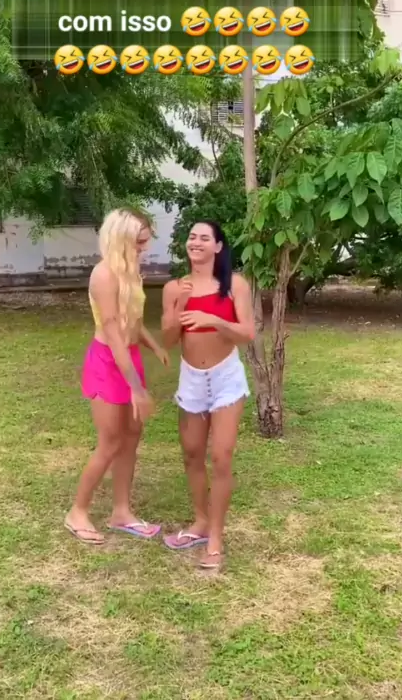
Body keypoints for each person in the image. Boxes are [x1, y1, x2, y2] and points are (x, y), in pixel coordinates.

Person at [65, 208, 168, 545]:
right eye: (139, 242)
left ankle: (121, 512)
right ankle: (77, 512)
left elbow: (133, 321)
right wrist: (136, 387)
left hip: (130, 356)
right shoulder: (104, 276)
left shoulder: (130, 270)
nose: (144, 248)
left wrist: (154, 345)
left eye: (146, 241)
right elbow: (112, 333)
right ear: (120, 239)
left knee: (132, 435)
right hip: (108, 361)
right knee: (110, 441)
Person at [161, 220, 255, 569]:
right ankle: (201, 521)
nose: (196, 242)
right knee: (191, 454)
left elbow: (247, 333)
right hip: (192, 379)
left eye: (204, 238)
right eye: (192, 237)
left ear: (218, 246)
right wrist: (179, 307)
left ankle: (215, 538)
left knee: (221, 457)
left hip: (225, 377)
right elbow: (168, 340)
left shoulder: (234, 285)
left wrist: (214, 320)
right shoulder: (174, 287)